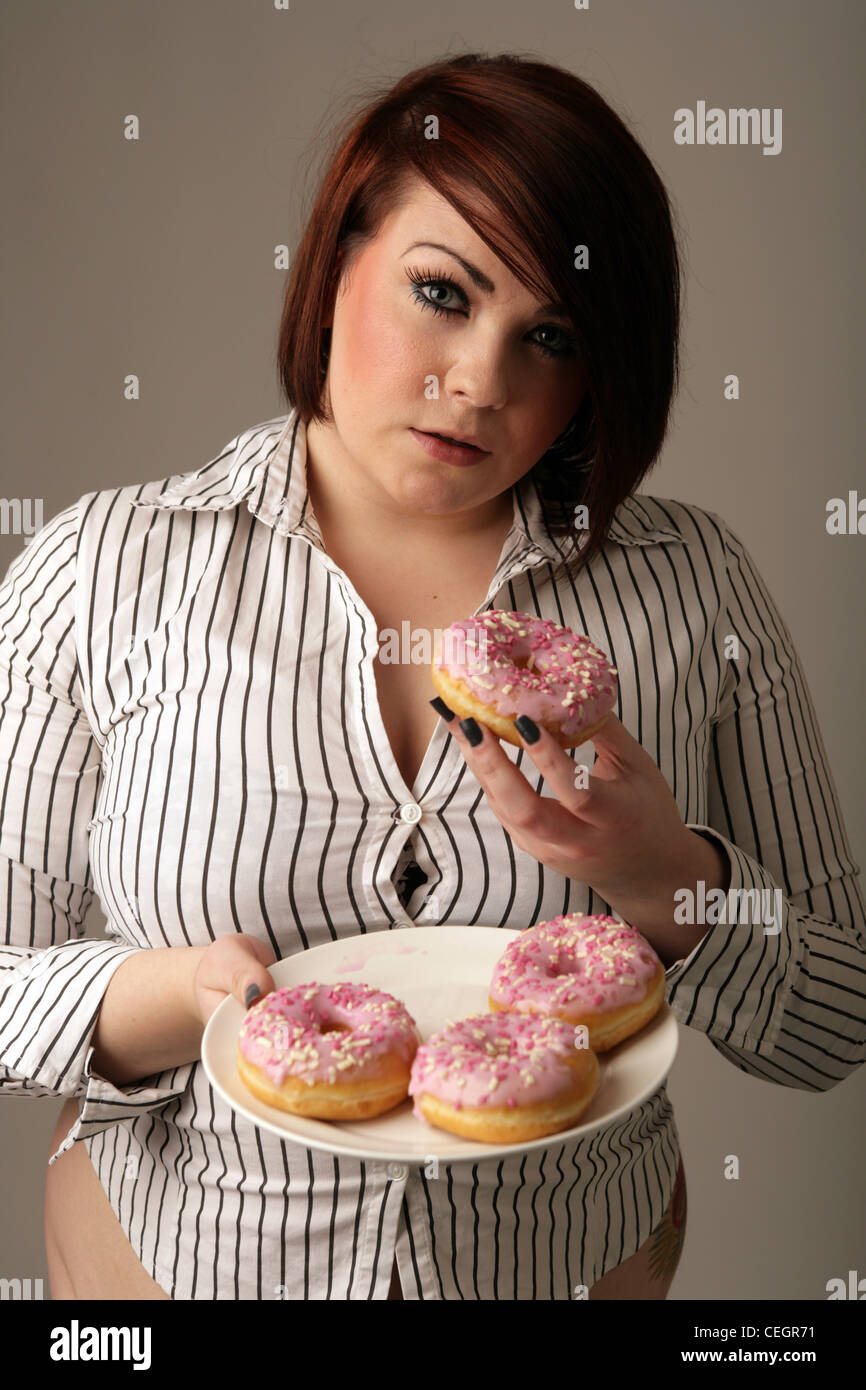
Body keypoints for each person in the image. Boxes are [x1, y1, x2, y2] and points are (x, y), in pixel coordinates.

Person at [2, 52, 864, 1302]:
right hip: (163, 1267)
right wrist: (174, 994)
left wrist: (663, 878)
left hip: (574, 1265)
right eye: (439, 292)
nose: (480, 382)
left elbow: (834, 1018)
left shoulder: (694, 587)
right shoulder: (103, 569)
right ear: (335, 256)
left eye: (549, 336)